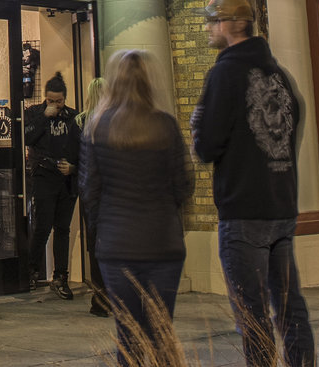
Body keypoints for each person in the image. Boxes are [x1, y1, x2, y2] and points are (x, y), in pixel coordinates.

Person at [191, 0, 315, 367]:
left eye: (213, 21)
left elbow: (208, 146)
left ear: (233, 24)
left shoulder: (225, 73)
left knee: (253, 315)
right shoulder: (278, 72)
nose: (209, 28)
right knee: (291, 308)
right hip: (280, 204)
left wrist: (198, 127)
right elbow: (294, 128)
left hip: (244, 210)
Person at [82, 48, 193, 361]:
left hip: (118, 246)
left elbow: (90, 190)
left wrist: (101, 231)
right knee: (161, 332)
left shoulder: (97, 128)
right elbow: (184, 184)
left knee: (128, 335)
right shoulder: (165, 126)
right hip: (163, 244)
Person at [23, 72, 81, 298]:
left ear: (64, 99)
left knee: (63, 229)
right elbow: (26, 138)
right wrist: (43, 117)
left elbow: (80, 148)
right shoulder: (34, 113)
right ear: (45, 98)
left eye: (59, 101)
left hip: (66, 180)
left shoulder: (73, 117)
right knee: (42, 226)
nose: (55, 105)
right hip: (44, 177)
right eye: (50, 100)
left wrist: (73, 167)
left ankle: (61, 276)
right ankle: (31, 270)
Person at [81, 74, 111, 318]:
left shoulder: (82, 123)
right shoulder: (118, 123)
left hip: (93, 196)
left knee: (96, 248)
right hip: (114, 197)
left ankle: (101, 298)